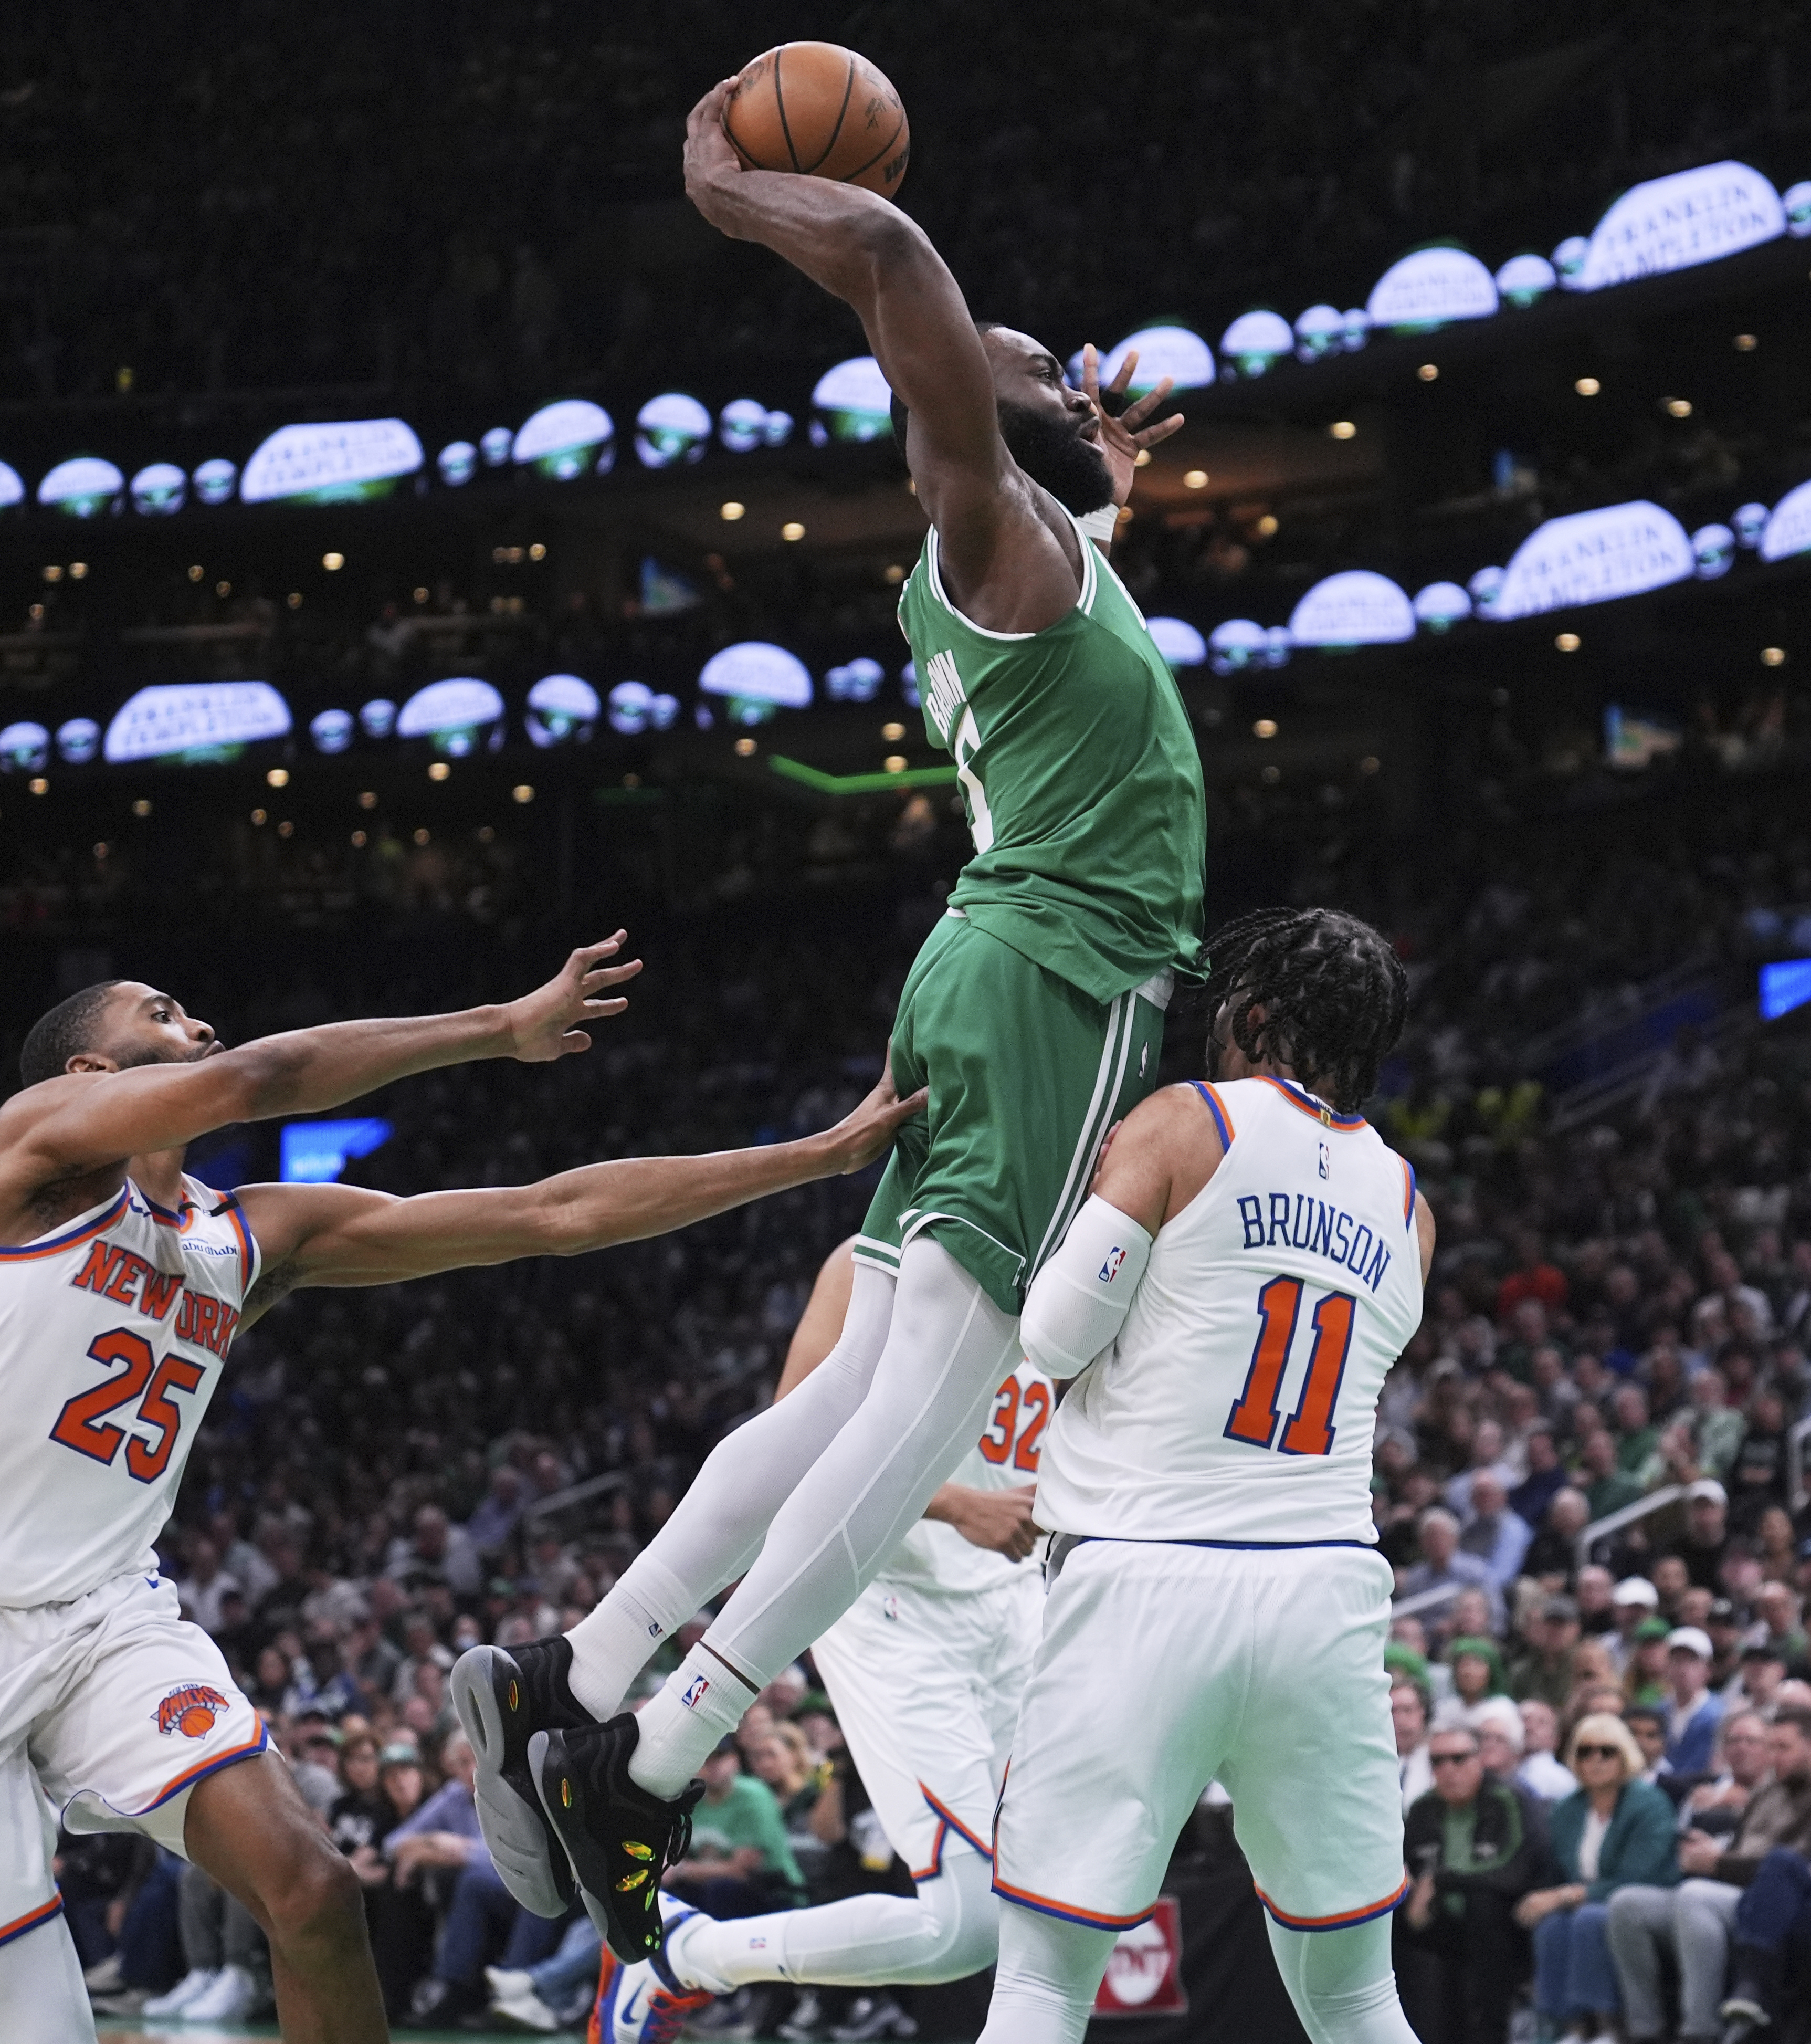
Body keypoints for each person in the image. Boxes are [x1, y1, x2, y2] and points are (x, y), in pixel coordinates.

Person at [457, 72, 1208, 1969]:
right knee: (926, 1398)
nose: (1066, 391)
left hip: (983, 963)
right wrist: (721, 176)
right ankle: (655, 1745)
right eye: (1044, 390)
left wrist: (1082, 431)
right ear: (991, 429)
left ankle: (580, 1662)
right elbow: (886, 258)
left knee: (853, 1384)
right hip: (1058, 977)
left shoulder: (1048, 556)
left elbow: (1021, 405)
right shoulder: (996, 543)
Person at [0, 951, 920, 2043]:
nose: (202, 1023)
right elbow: (265, 1077)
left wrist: (819, 1156)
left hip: (109, 1614)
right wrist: (501, 1023)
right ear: (91, 1070)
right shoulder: (36, 1154)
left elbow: (554, 1210)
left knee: (313, 1886)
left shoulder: (246, 1232)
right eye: (165, 1012)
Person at [973, 905, 1430, 2044]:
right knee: (1358, 1999)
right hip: (1324, 1591)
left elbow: (1056, 1337)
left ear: (1257, 1016)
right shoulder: (1414, 1203)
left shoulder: (1187, 1119)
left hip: (1147, 1573)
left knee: (1040, 1989)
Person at [597, 1239, 1052, 2042]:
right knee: (965, 1920)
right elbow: (792, 1444)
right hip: (884, 1593)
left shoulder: (1097, 1245)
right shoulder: (875, 1256)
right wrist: (957, 1506)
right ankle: (684, 1954)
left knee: (1057, 1896)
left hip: (1016, 1599)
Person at [1606, 1707, 1811, 2044]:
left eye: (1783, 1748)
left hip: (1773, 1904)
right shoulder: (1767, 1795)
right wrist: (1708, 1853)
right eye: (1771, 1747)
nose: (1773, 1757)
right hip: (1729, 1890)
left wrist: (1718, 1863)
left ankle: (1700, 2031)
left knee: (1696, 1897)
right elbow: (1740, 1851)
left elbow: (1791, 1867)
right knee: (1628, 1905)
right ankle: (1645, 2029)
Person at [1516, 1712, 1679, 2043]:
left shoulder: (1649, 1805)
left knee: (1590, 1918)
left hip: (1650, 1899)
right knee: (1554, 1925)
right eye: (1585, 1751)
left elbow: (1639, 1876)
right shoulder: (1567, 1809)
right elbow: (1557, 1871)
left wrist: (1564, 1896)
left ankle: (1607, 2027)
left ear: (1625, 1755)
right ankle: (1566, 2028)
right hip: (1589, 1900)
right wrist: (1546, 1899)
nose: (1596, 1760)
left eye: (1607, 1751)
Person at [1395, 1723, 1547, 2044]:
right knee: (1396, 1920)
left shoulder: (1508, 1800)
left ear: (1480, 1759)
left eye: (1459, 1759)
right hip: (1443, 1922)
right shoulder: (1422, 1810)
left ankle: (1491, 2034)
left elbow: (1515, 1873)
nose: (1448, 1770)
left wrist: (1441, 1880)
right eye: (1438, 1762)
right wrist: (1415, 1902)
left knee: (1484, 1908)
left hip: (1505, 1922)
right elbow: (1407, 1872)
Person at [1667, 1629, 1727, 1776]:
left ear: (1708, 1670)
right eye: (1677, 1661)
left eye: (1692, 1661)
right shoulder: (1659, 1711)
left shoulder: (1719, 1715)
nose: (1683, 1669)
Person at [1518, 1701, 1580, 1804]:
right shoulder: (1505, 1769)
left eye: (1542, 1722)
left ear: (1556, 1740)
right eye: (1526, 1720)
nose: (1530, 1727)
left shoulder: (1561, 1780)